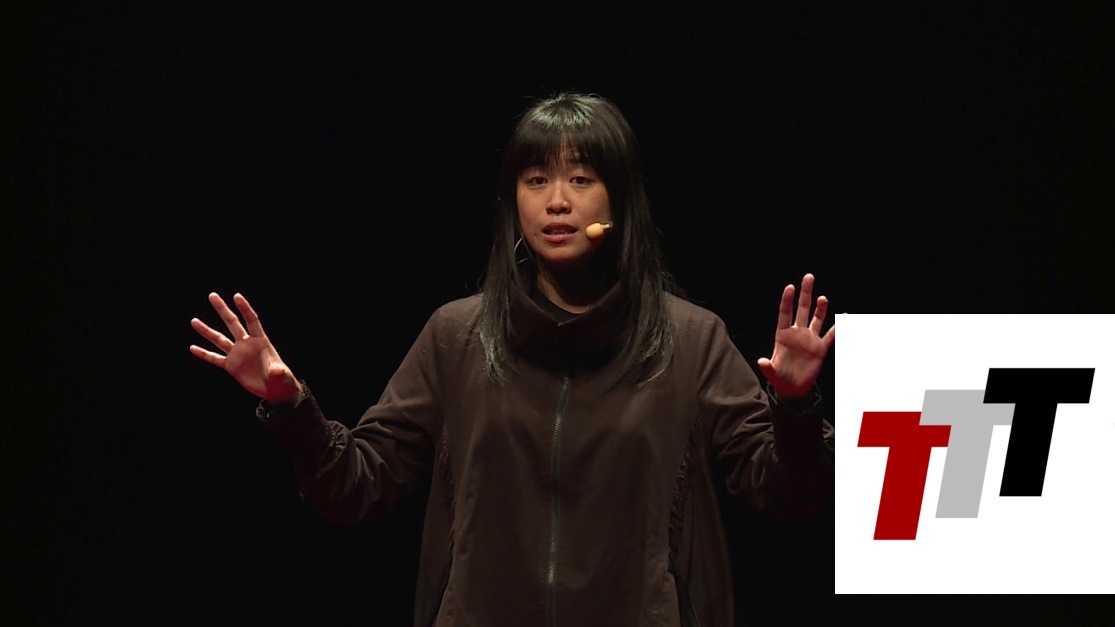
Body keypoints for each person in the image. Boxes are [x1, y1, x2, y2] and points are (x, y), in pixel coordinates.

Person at [189, 93, 835, 627]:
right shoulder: (456, 335)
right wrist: (290, 407)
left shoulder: (690, 340)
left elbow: (787, 491)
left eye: (581, 179)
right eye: (536, 180)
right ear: (514, 202)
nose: (557, 201)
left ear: (617, 201)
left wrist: (795, 405)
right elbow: (356, 487)